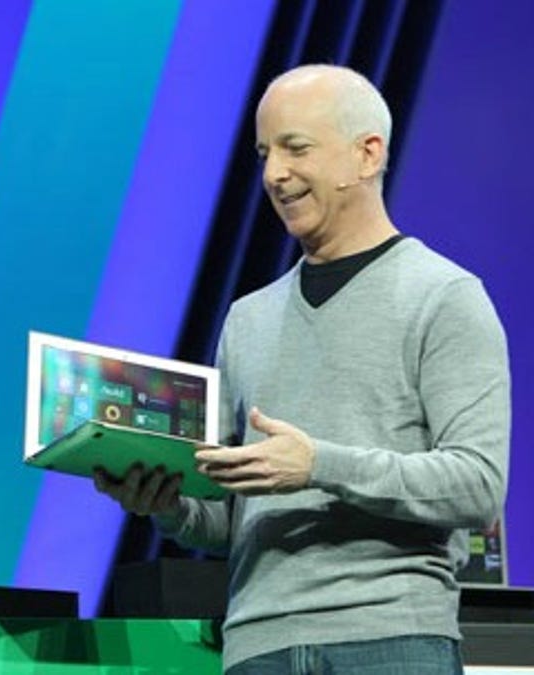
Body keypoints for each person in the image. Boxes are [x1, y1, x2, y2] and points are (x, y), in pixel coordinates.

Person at [95, 64, 509, 673]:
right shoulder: (247, 319)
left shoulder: (444, 295)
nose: (274, 175)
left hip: (391, 640)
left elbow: (476, 484)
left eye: (295, 148)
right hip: (257, 647)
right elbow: (233, 517)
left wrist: (318, 465)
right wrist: (164, 503)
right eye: (264, 153)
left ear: (367, 155)